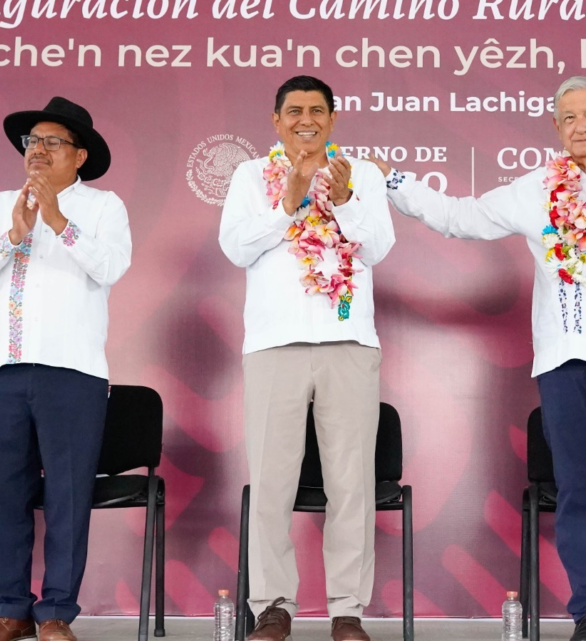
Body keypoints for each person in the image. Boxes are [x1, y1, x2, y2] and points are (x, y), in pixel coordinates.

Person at [372, 76, 586, 641]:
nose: (580, 126)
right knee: (576, 490)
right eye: (568, 117)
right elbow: (460, 217)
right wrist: (393, 180)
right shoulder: (535, 190)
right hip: (564, 363)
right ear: (556, 127)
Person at [219, 75, 395, 641]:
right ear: (276, 121)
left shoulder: (361, 175)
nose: (305, 120)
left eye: (317, 111)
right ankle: (272, 607)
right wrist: (289, 198)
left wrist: (341, 200)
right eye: (293, 111)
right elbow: (236, 246)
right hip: (274, 347)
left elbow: (379, 248)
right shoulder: (251, 176)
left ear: (333, 119)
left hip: (348, 345)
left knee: (351, 485)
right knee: (271, 483)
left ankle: (348, 610)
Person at [0, 96, 132, 641]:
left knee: (67, 497)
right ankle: (9, 610)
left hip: (72, 373)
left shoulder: (104, 207)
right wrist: (15, 232)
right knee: (3, 490)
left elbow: (111, 267)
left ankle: (55, 613)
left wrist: (56, 221)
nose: (38, 151)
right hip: (2, 371)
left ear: (79, 155)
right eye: (32, 142)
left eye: (53, 142)